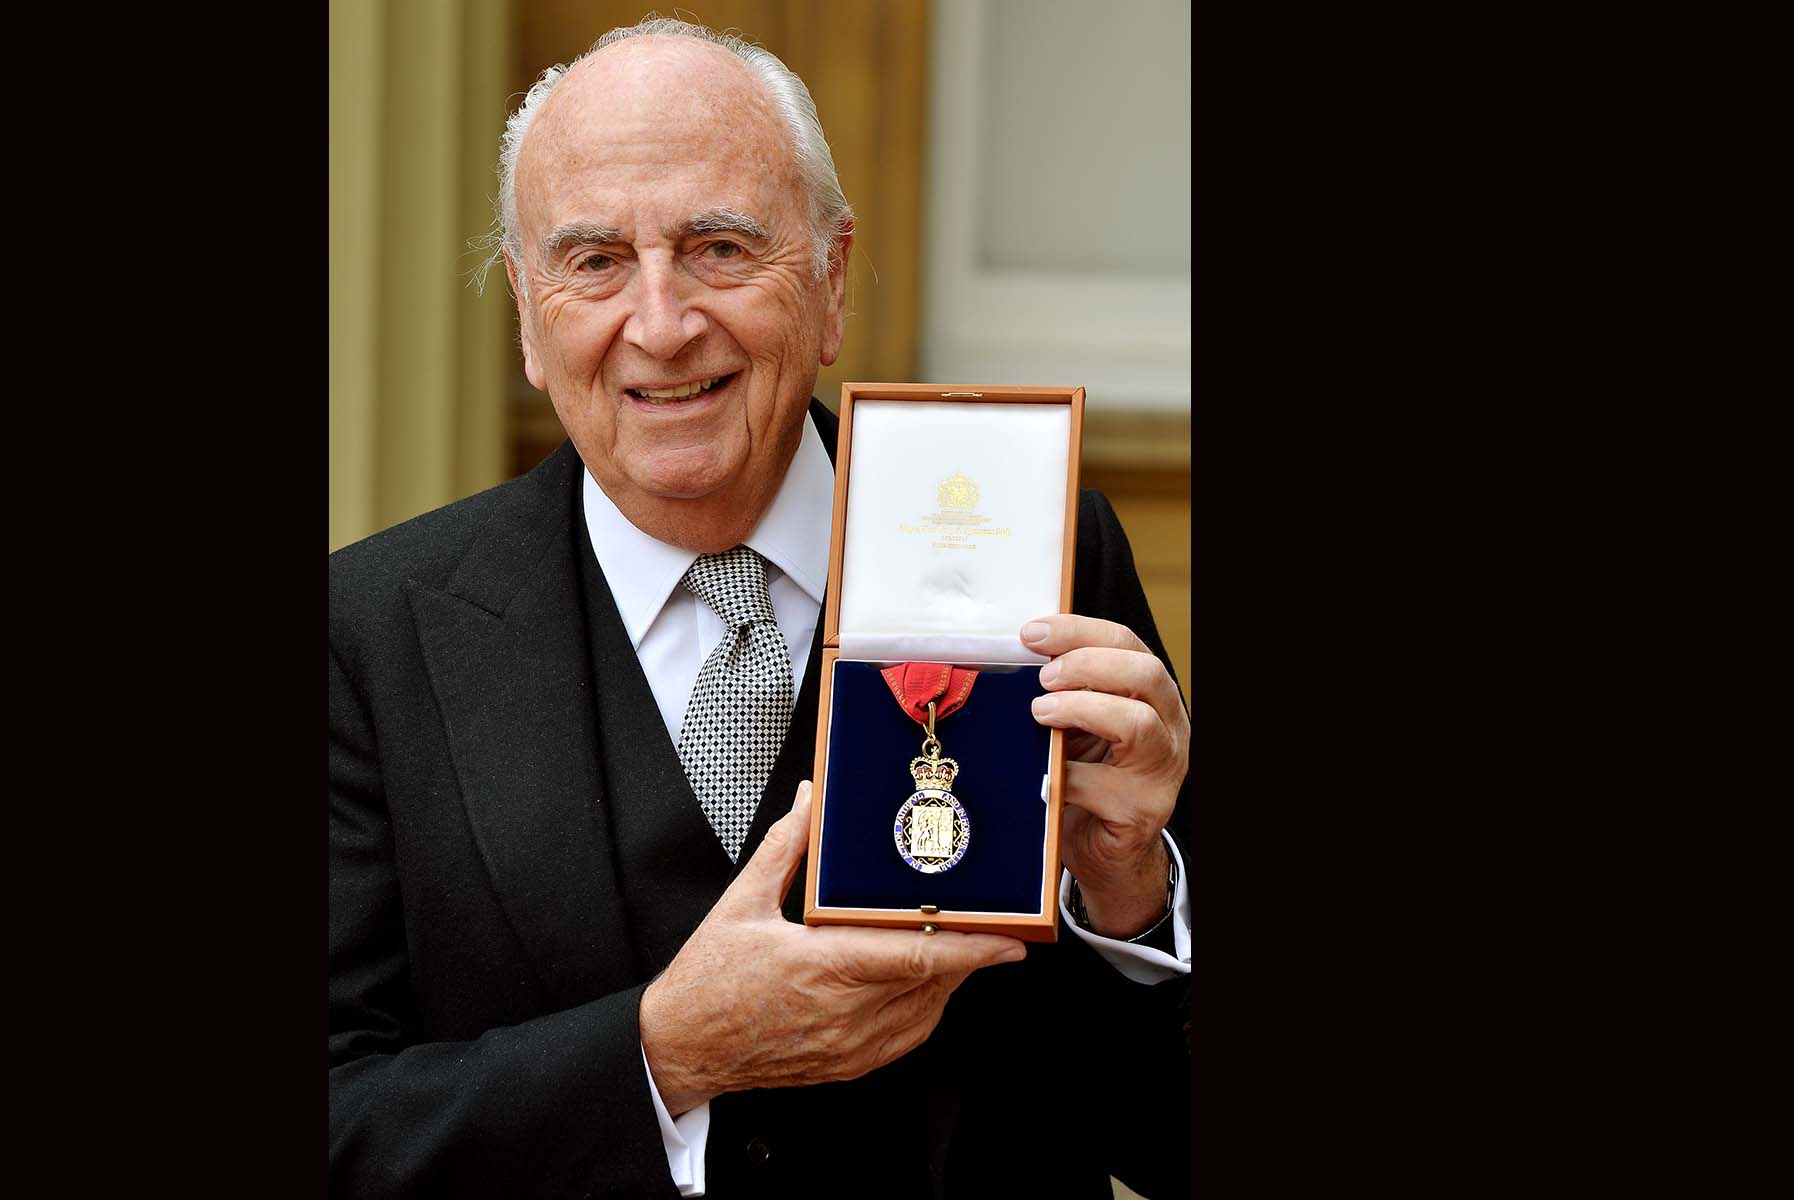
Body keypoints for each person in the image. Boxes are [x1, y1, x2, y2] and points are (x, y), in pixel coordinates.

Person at [329, 19, 1193, 1198]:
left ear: (832, 280)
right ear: (529, 319)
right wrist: (660, 1059)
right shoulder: (368, 636)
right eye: (593, 263)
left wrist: (1134, 894)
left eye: (720, 248)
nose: (663, 321)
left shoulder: (1043, 560)